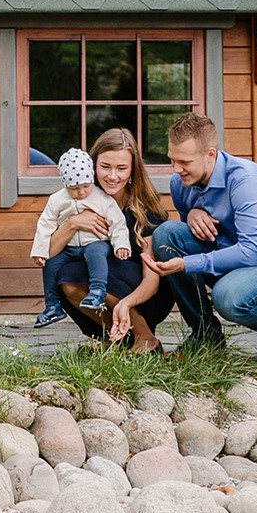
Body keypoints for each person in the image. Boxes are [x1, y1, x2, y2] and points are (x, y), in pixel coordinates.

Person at [144, 111, 257, 363]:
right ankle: (205, 335)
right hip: (234, 256)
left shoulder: (246, 181)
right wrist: (193, 212)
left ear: (210, 155)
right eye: (172, 159)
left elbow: (252, 251)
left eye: (184, 162)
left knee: (228, 297)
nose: (176, 169)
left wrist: (186, 264)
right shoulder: (180, 182)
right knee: (167, 234)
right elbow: (189, 238)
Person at [54, 128, 175, 353]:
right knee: (64, 277)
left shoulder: (145, 207)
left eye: (121, 168)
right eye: (105, 167)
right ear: (93, 166)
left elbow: (152, 279)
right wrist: (74, 223)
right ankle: (120, 337)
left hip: (145, 294)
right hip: (100, 288)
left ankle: (144, 336)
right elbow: (48, 252)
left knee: (98, 267)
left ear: (132, 170)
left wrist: (126, 303)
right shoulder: (79, 198)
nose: (112, 176)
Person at [30, 148, 131, 326]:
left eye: (86, 186)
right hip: (69, 247)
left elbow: (118, 223)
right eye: (75, 189)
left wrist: (122, 245)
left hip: (95, 242)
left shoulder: (102, 198)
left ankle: (97, 292)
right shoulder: (57, 200)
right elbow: (45, 225)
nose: (82, 192)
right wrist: (40, 251)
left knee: (96, 254)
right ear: (65, 184)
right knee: (51, 264)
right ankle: (52, 306)